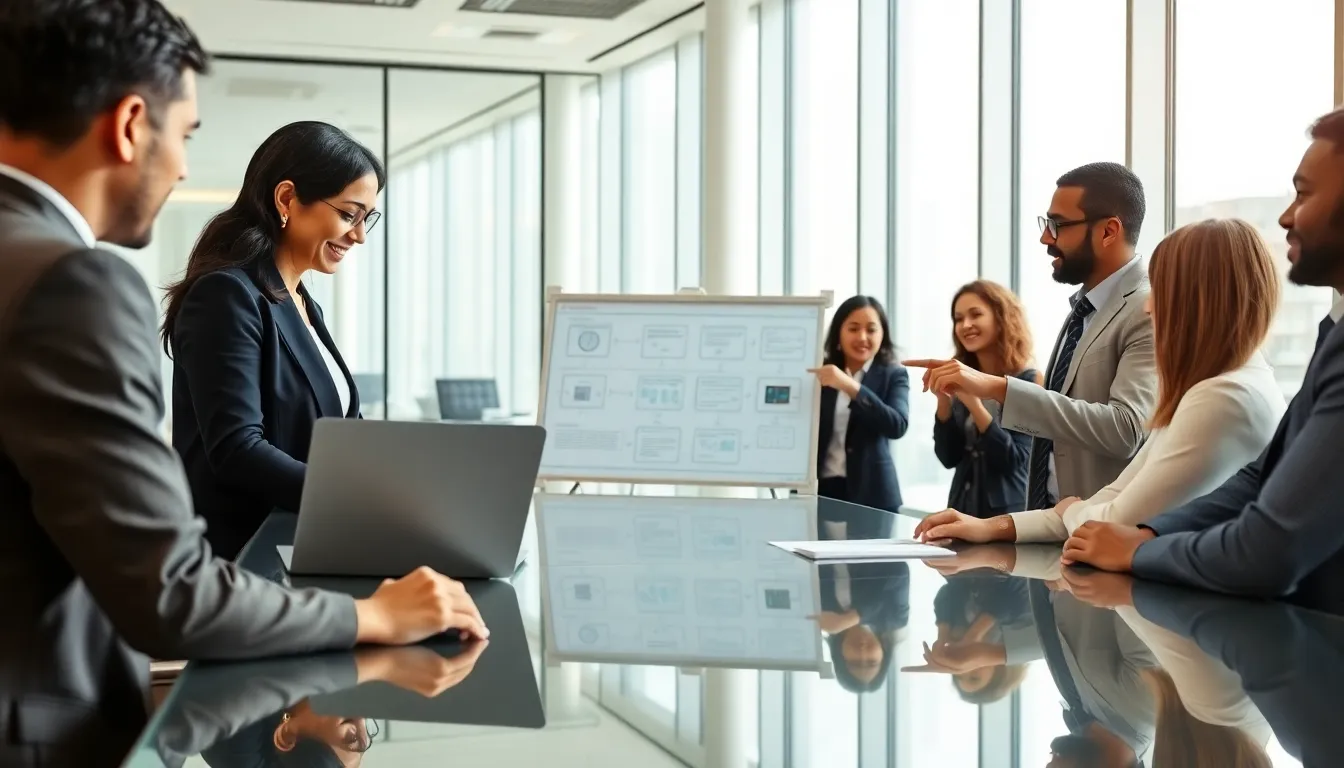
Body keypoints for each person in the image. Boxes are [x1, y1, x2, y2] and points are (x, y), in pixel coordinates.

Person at [0, 3, 483, 765]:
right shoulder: (75, 283)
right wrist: (374, 615)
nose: (184, 167)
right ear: (131, 124)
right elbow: (170, 586)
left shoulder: (32, 263)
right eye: (186, 135)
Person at [1062, 107, 1344, 615]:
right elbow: (1259, 481)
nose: (1286, 216)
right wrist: (1149, 534)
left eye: (1304, 194)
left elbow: (1268, 550)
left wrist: (1140, 549)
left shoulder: (1227, 393)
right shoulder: (1333, 335)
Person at [913, 219, 1285, 548]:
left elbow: (1114, 520)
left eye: (1161, 292)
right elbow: (1111, 499)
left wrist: (1071, 510)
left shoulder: (1224, 397)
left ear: (1200, 300)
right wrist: (989, 527)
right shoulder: (1206, 390)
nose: (1149, 307)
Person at [162, 121, 379, 559]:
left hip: (305, 543)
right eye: (348, 214)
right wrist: (351, 499)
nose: (358, 235)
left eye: (366, 219)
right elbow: (238, 448)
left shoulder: (302, 303)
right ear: (286, 199)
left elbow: (332, 431)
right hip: (243, 557)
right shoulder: (226, 295)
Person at [906, 162, 1158, 513]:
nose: (1046, 238)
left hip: (1099, 529)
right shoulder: (1083, 309)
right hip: (1054, 522)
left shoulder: (1148, 310)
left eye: (1058, 225)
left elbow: (1126, 430)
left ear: (1108, 231)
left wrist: (996, 388)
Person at [932, 280, 1040, 518]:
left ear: (1001, 318)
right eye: (958, 319)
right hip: (961, 509)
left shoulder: (1028, 380)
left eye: (976, 314)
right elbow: (948, 458)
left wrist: (974, 405)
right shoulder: (962, 375)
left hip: (1006, 517)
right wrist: (943, 402)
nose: (965, 325)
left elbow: (1015, 460)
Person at [808, 295, 909, 513]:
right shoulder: (821, 371)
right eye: (853, 329)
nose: (862, 337)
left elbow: (897, 425)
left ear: (882, 334)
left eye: (871, 330)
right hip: (823, 489)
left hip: (873, 493)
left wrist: (850, 386)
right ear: (839, 332)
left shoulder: (894, 374)